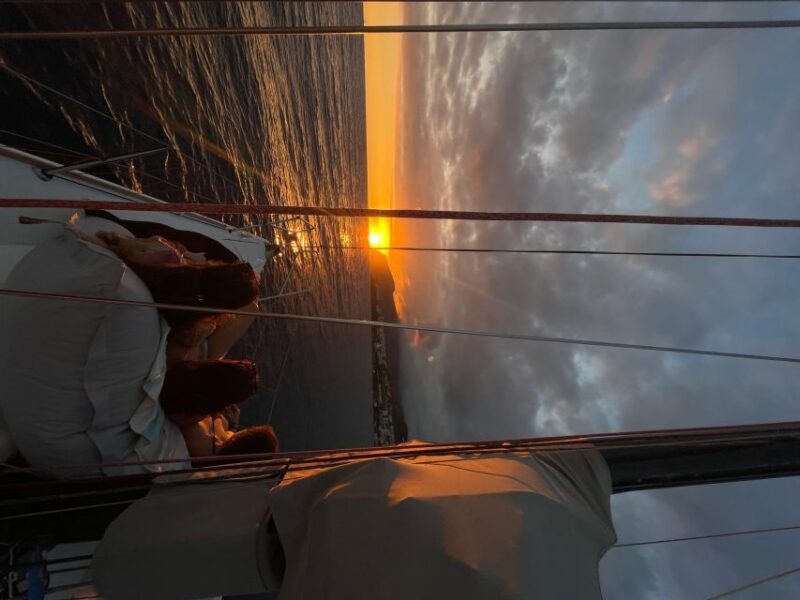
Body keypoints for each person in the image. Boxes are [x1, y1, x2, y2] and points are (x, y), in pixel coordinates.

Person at [94, 230, 261, 366]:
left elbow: (115, 239)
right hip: (185, 336)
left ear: (219, 270)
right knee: (252, 309)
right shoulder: (189, 323)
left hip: (158, 287)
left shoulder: (166, 260)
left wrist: (188, 256)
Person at [159, 359, 279, 463]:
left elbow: (184, 413)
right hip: (200, 393)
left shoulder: (201, 442)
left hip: (188, 395)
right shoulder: (226, 440)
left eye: (248, 430)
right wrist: (233, 425)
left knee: (243, 380)